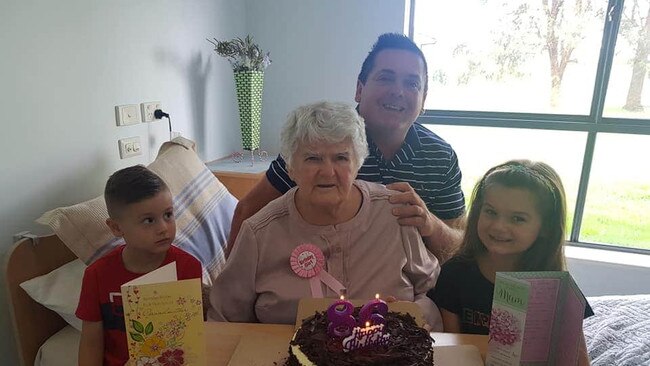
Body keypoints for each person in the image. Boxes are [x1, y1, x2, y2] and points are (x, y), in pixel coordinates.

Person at [227, 33, 465, 261]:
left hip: (407, 291)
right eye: (386, 78)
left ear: (423, 99)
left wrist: (430, 224)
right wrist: (233, 284)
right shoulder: (319, 139)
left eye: (412, 83)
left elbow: (459, 246)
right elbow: (247, 210)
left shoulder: (440, 156)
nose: (398, 91)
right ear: (359, 89)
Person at [209, 101, 442, 329]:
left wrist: (411, 315)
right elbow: (223, 321)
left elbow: (432, 291)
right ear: (290, 167)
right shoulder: (259, 233)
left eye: (341, 158)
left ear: (358, 163)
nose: (328, 172)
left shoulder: (394, 213)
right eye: (313, 158)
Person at [429, 160, 593, 364]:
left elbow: (578, 358)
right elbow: (450, 349)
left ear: (546, 228)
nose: (499, 226)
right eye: (490, 212)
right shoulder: (454, 273)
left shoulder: (557, 289)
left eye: (517, 219)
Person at [76, 165, 202, 366]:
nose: (163, 228)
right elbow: (91, 342)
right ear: (116, 228)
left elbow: (191, 335)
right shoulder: (97, 275)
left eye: (168, 215)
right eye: (148, 220)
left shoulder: (188, 267)